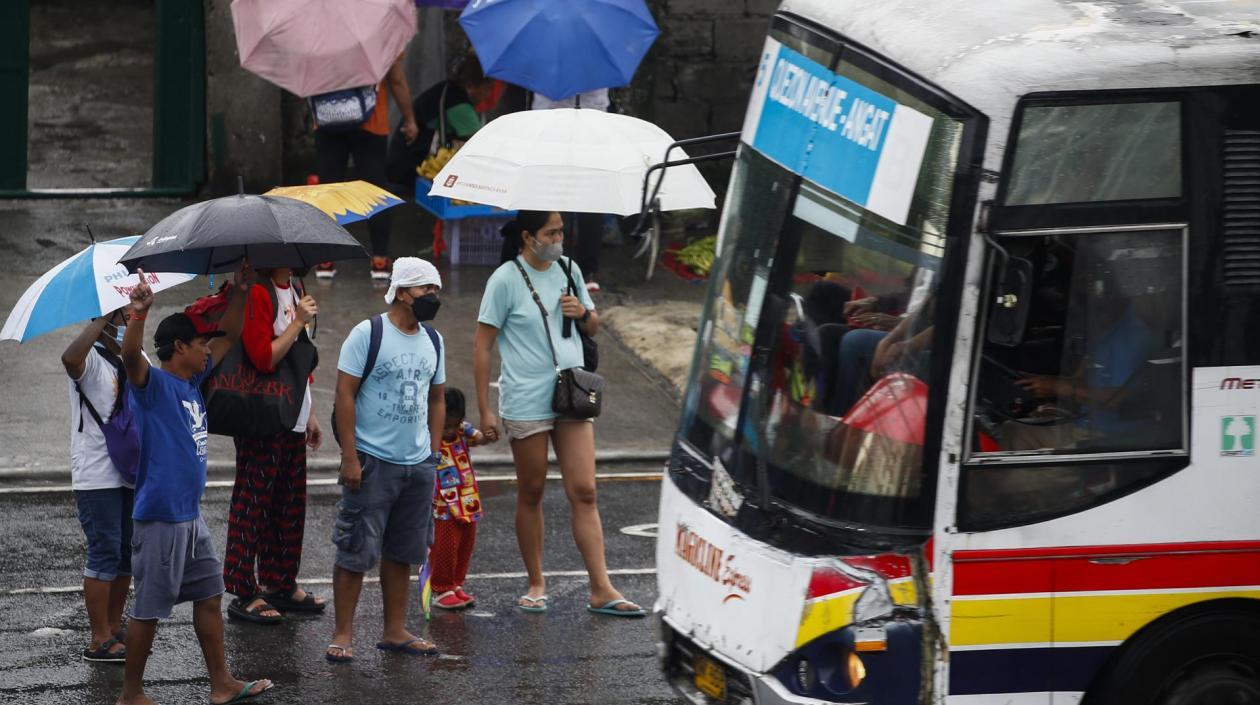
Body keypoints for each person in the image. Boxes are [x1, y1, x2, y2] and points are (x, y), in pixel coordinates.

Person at [118, 260, 273, 705]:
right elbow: (130, 357)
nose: (208, 350)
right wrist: (140, 314)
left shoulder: (193, 382)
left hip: (190, 517)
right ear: (179, 346)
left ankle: (221, 684)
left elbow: (232, 336)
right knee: (149, 610)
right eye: (201, 343)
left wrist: (241, 290)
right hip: (161, 518)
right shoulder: (152, 385)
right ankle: (131, 694)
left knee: (209, 596)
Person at [475, 211, 643, 617]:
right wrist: (485, 410)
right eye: (551, 233)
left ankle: (601, 587)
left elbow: (594, 326)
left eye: (561, 232)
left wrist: (581, 313)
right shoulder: (504, 280)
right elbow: (482, 345)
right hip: (526, 398)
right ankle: (536, 583)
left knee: (585, 491)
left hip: (573, 392)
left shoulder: (570, 269)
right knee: (531, 490)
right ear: (528, 237)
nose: (558, 239)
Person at [326, 257, 446, 663]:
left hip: (419, 464)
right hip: (372, 461)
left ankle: (395, 630)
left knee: (403, 551)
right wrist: (349, 456)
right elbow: (344, 394)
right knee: (355, 548)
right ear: (403, 292)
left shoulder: (434, 340)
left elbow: (437, 397)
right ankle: (343, 634)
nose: (433, 296)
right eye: (426, 289)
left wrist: (432, 453)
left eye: (436, 289)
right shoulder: (368, 333)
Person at [222, 268, 325, 624]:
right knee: (253, 504)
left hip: (291, 412)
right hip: (262, 416)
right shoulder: (259, 292)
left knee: (289, 504)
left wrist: (310, 413)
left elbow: (300, 361)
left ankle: (281, 582)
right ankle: (243, 588)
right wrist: (298, 322)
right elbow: (263, 357)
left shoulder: (294, 288)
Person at [62, 308, 134, 663]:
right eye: (123, 315)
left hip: (130, 469)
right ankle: (98, 638)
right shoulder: (89, 359)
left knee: (125, 552)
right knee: (104, 550)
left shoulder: (134, 355)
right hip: (96, 472)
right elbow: (69, 359)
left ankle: (114, 625)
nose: (129, 320)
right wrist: (101, 320)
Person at [314, 54, 419, 281]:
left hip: (327, 118)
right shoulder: (379, 36)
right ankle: (379, 259)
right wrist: (409, 119)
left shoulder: (316, 38)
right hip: (371, 121)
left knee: (327, 189)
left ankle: (325, 258)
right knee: (374, 190)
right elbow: (396, 79)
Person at [531, 90, 609, 291]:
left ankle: (583, 270)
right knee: (555, 202)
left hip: (586, 125)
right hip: (554, 126)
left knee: (588, 202)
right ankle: (552, 263)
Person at [385, 51, 499, 188]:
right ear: (470, 87)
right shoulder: (459, 105)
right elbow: (481, 144)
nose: (488, 94)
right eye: (487, 89)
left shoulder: (446, 89)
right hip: (410, 175)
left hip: (398, 165)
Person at [430, 387, 490, 610]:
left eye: (453, 426)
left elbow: (480, 438)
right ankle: (441, 587)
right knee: (445, 545)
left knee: (465, 544)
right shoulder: (428, 433)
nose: (449, 431)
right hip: (443, 503)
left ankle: (455, 582)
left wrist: (488, 434)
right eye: (444, 426)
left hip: (467, 499)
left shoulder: (462, 430)